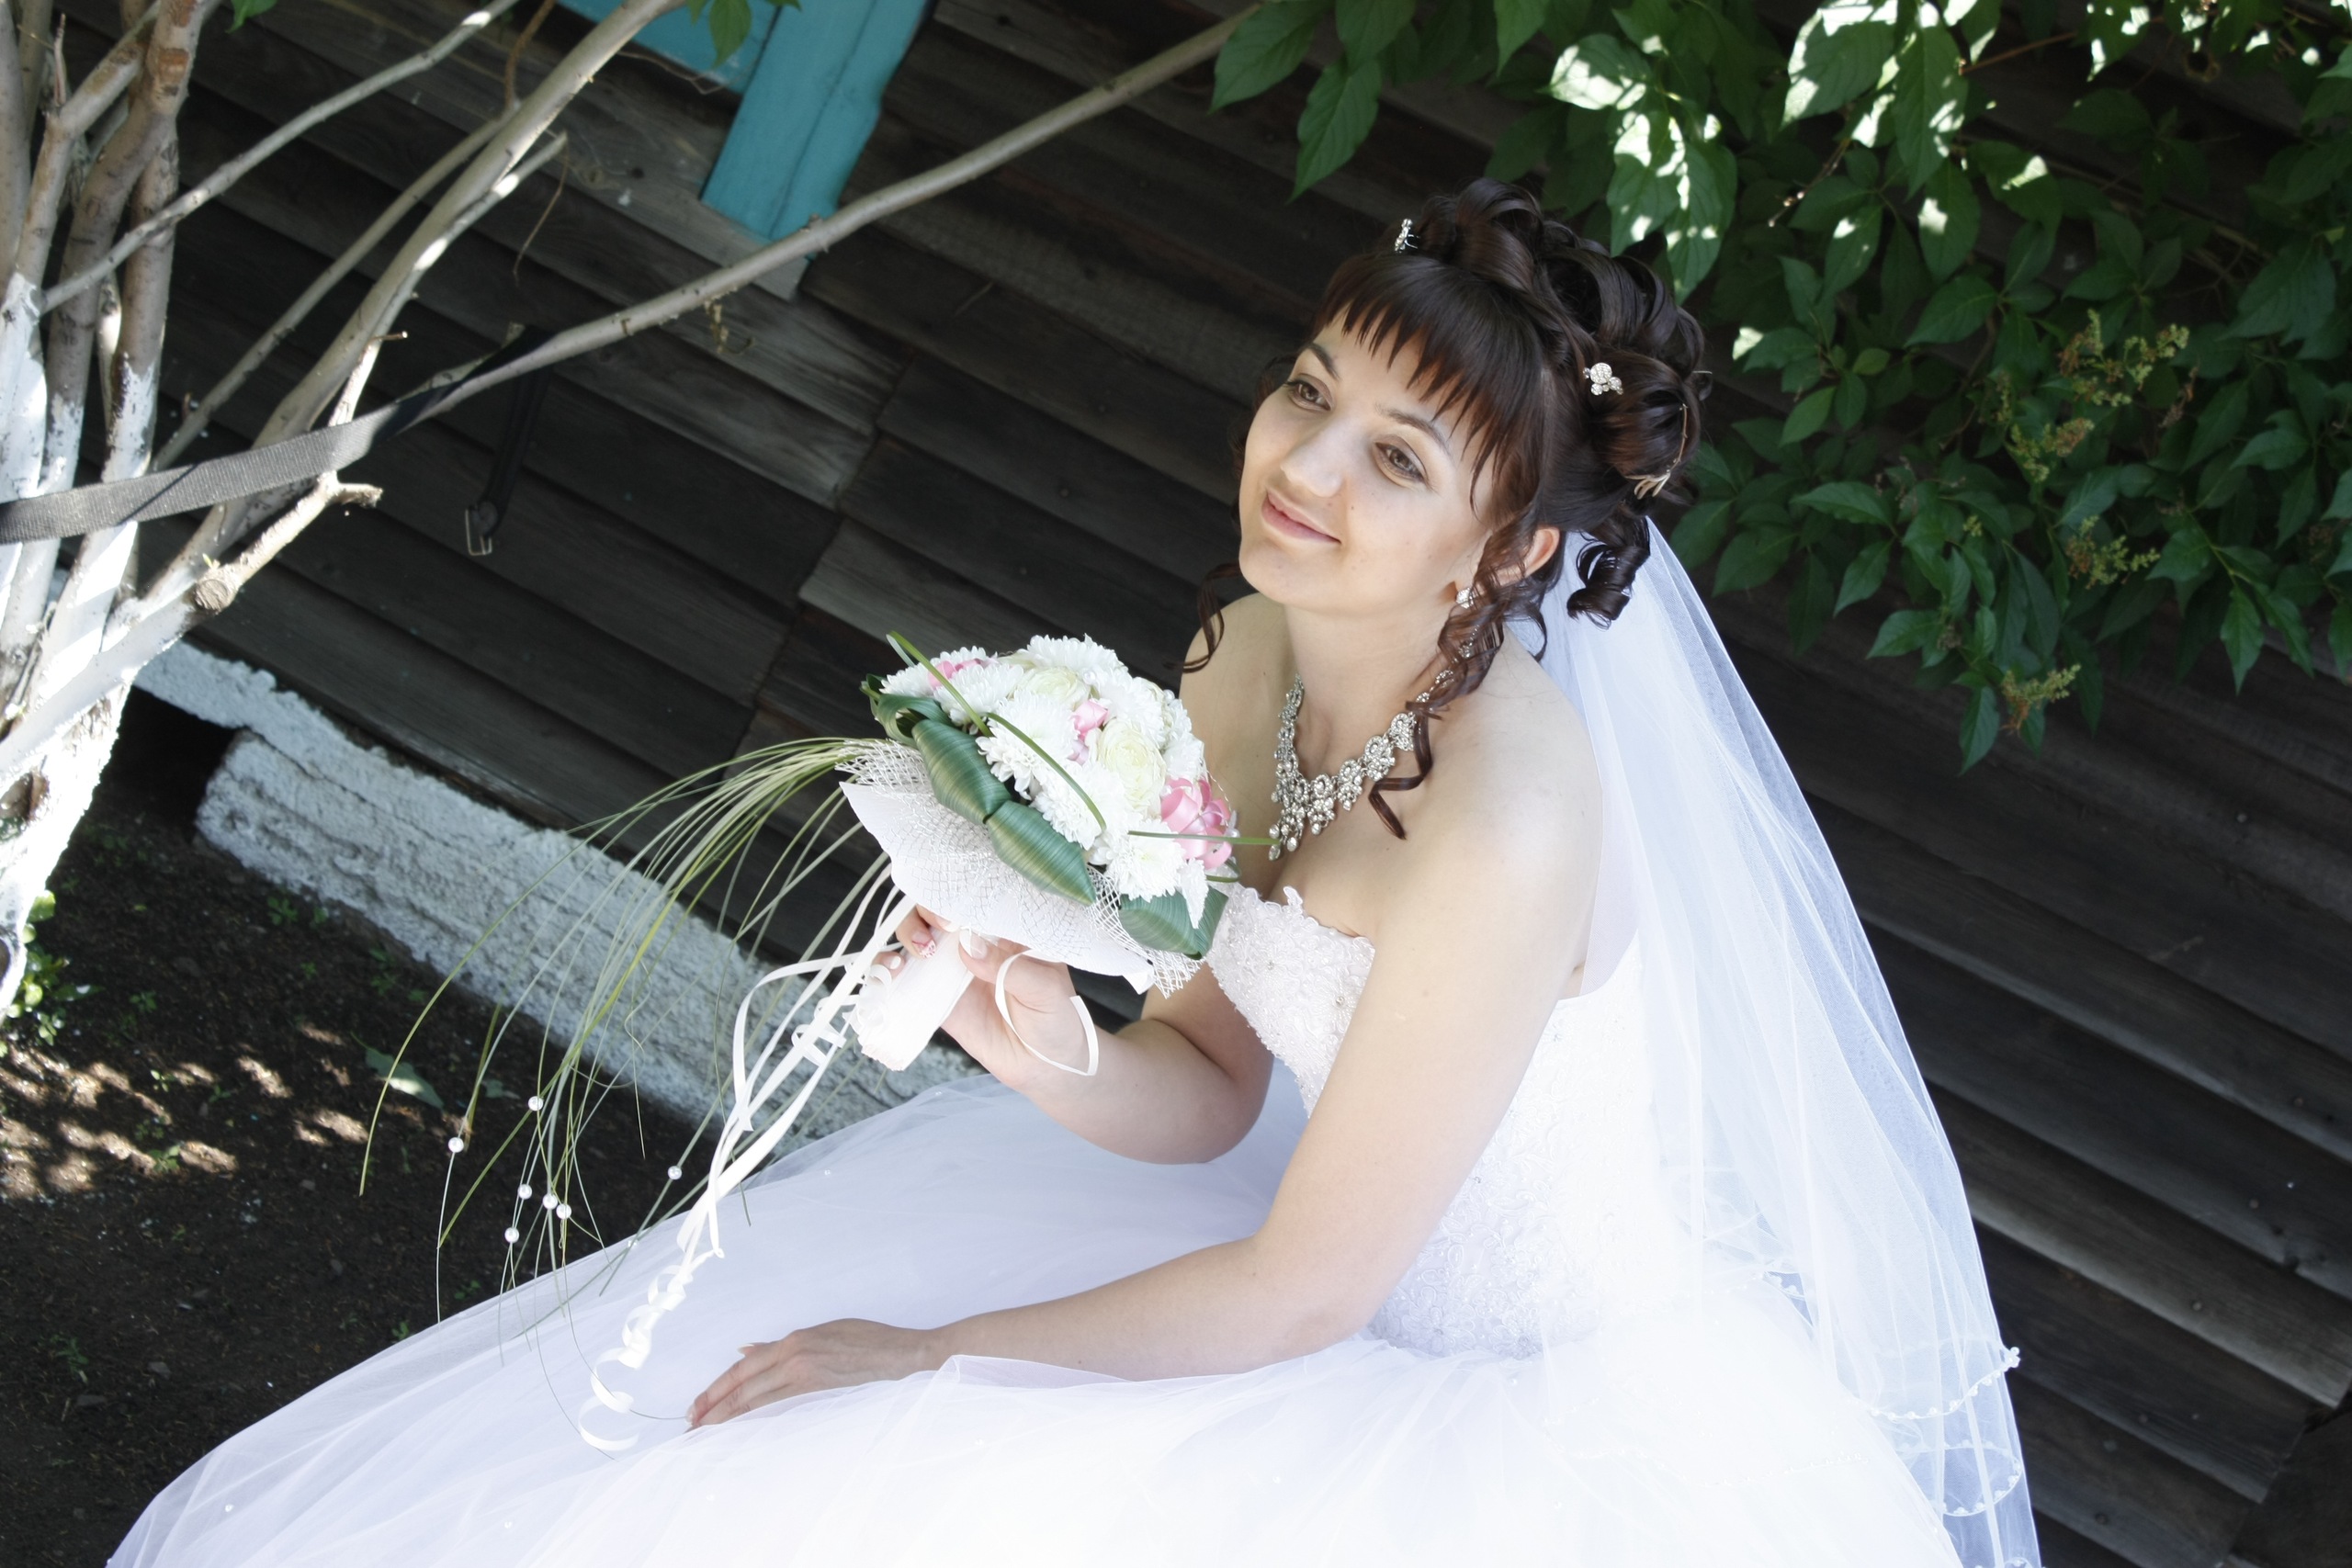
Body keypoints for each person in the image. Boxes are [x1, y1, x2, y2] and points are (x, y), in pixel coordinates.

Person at [114, 181, 2037, 1568]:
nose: (1304, 467)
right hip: (1299, 1278)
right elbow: (1208, 1084)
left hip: (1520, 1422)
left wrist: (931, 1352)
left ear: (1514, 547)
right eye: (1307, 392)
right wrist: (1026, 1023)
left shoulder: (1504, 822)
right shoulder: (1250, 654)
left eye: (1397, 460)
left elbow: (1305, 1287)